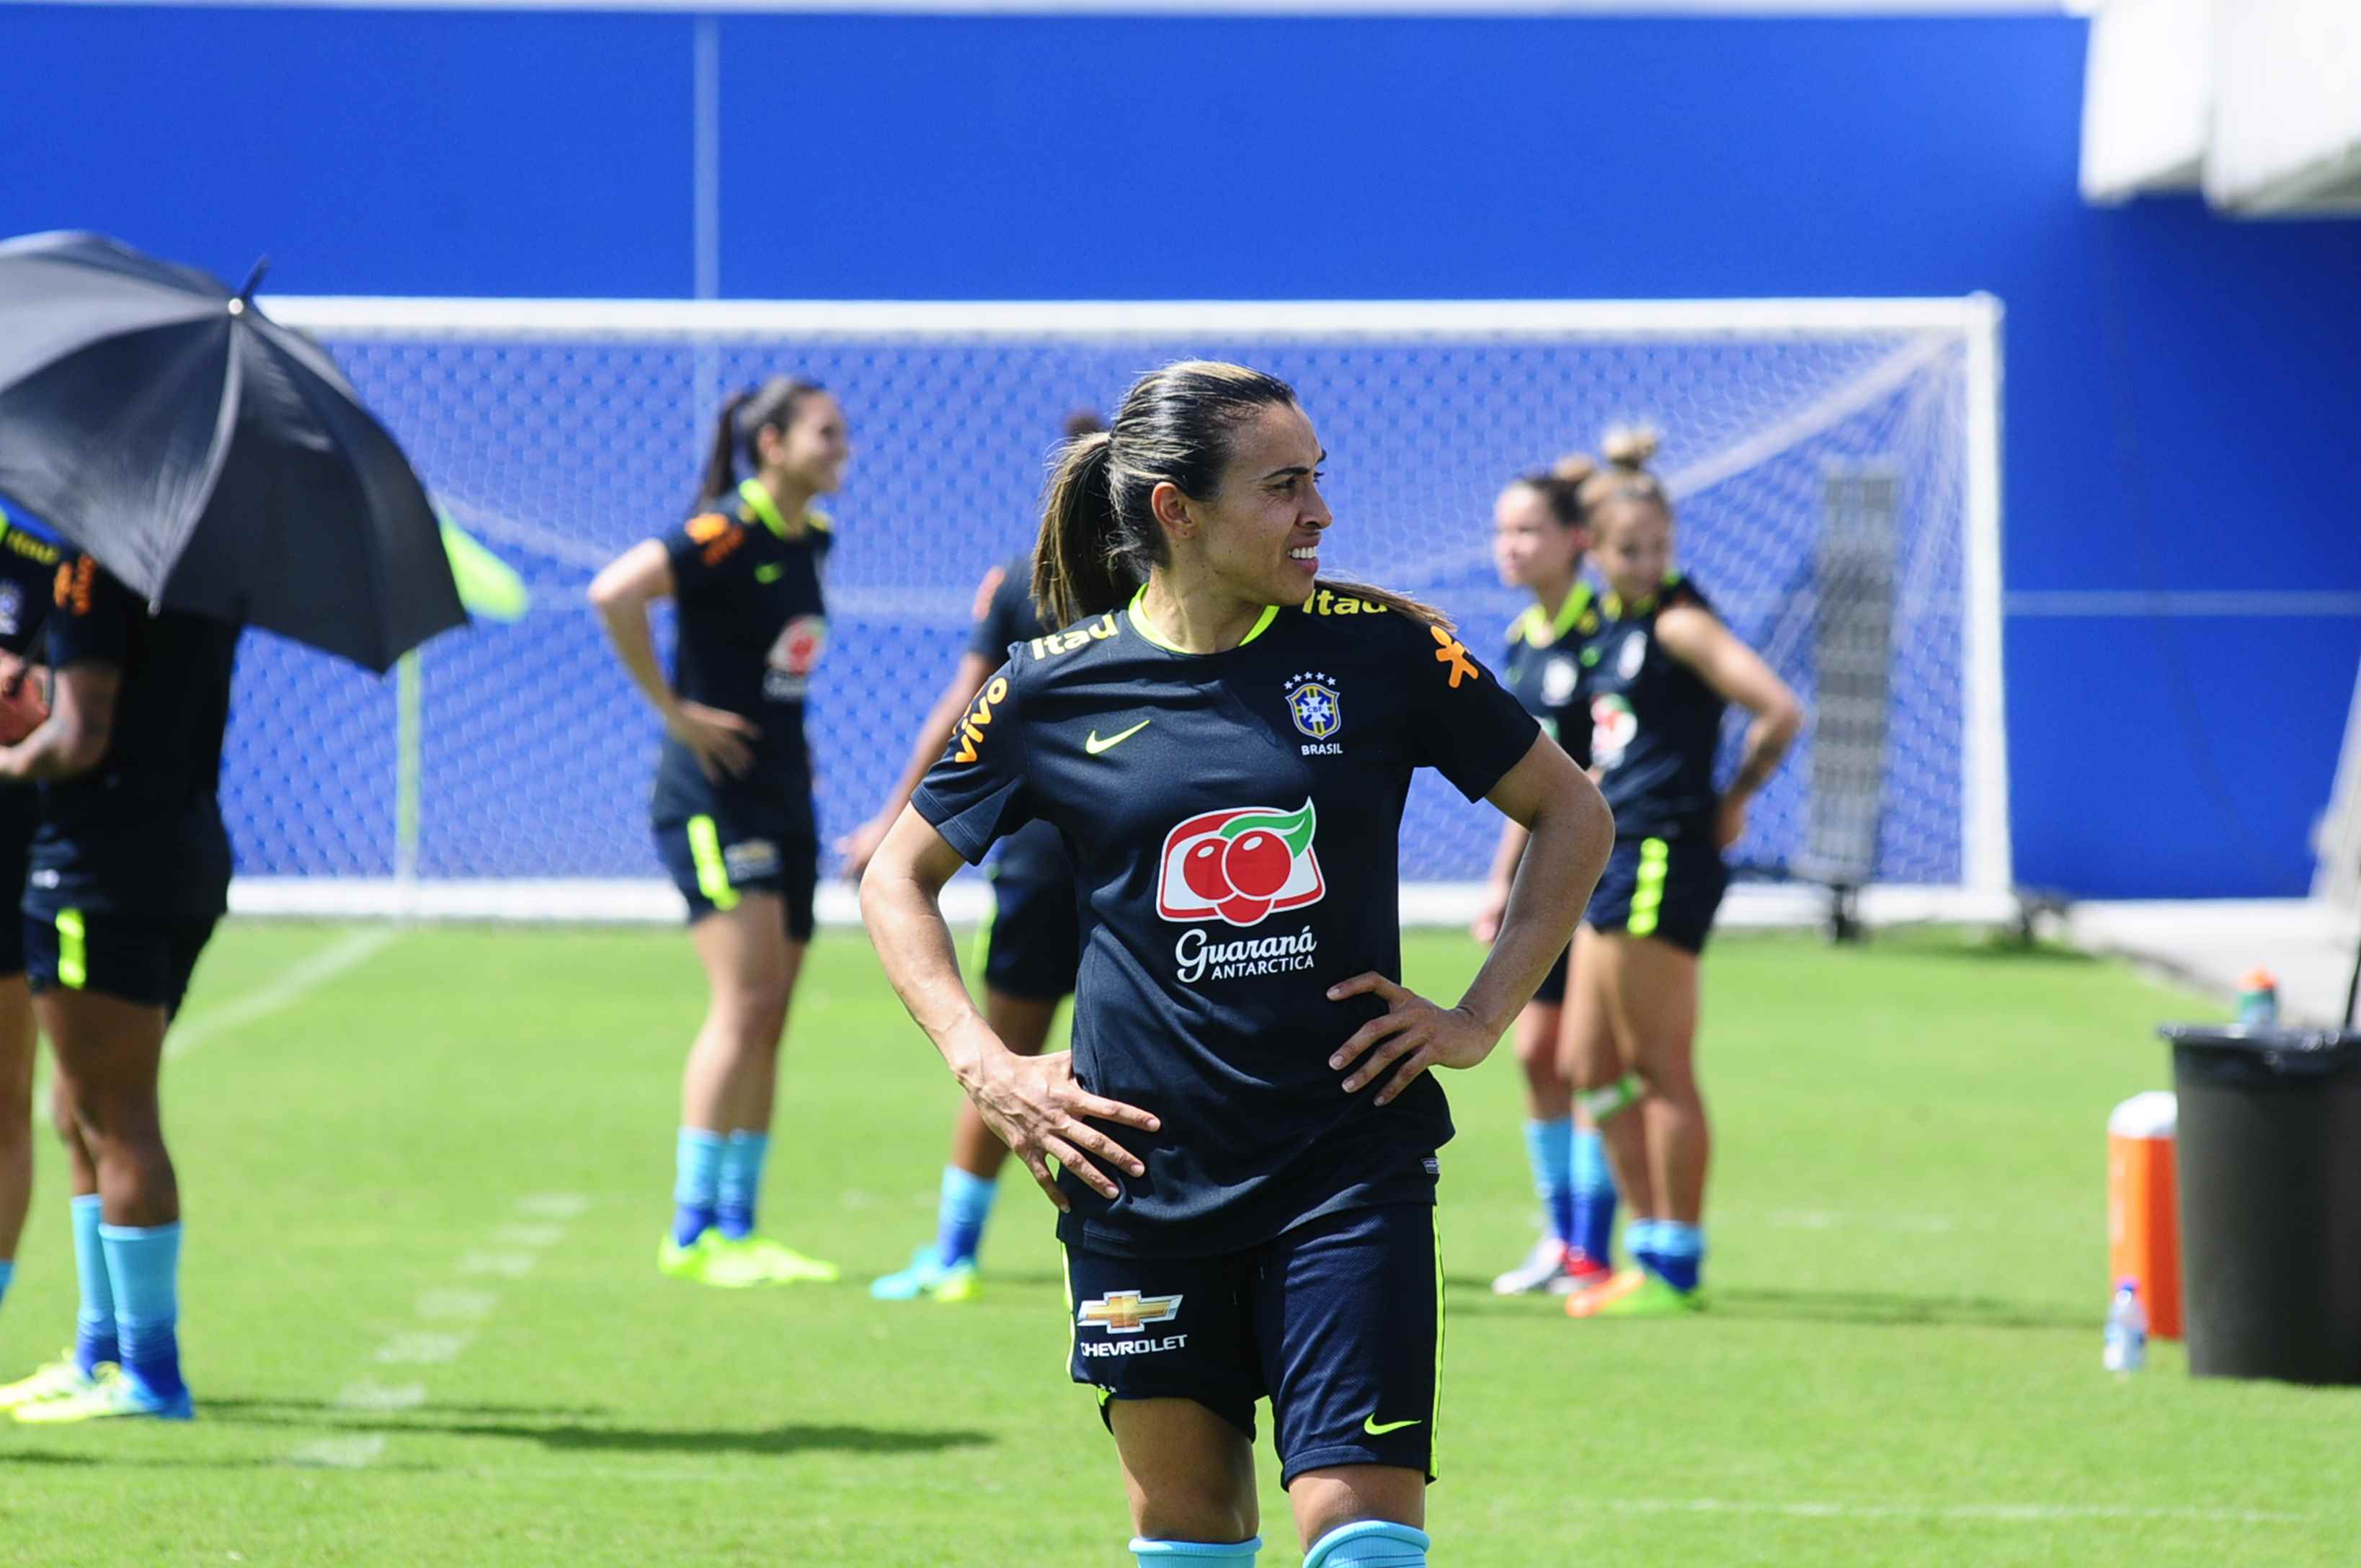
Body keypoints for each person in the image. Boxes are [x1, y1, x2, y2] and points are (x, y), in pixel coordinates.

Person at [861, 362, 1613, 1567]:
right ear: (1177, 509)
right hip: (1136, 1172)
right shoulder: (1050, 687)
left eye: (1318, 481)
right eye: (1283, 486)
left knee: (1360, 1532)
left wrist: (1478, 1016)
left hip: (1347, 1160)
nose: (1319, 512)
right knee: (1190, 1531)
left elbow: (1573, 813)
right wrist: (983, 1063)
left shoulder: (1389, 654)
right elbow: (894, 877)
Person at [588, 377, 850, 1290]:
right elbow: (614, 592)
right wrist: (674, 711)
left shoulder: (811, 536)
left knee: (773, 1011)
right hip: (712, 798)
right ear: (771, 444)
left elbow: (778, 668)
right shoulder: (722, 532)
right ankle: (692, 1229)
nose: (842, 447)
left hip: (783, 796)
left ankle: (741, 1228)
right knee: (742, 1003)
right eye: (825, 432)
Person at [845, 411, 1104, 1304]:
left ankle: (954, 1252)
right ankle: (978, 1248)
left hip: (1048, 857)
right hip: (1113, 863)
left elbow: (960, 704)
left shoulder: (1026, 580)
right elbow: (967, 699)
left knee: (1008, 1056)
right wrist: (891, 828)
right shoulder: (1168, 582)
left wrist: (889, 820)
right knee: (1048, 1057)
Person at [1557, 429, 1805, 1321]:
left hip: (1663, 852)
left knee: (1659, 1062)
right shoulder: (1612, 623)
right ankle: (1646, 1245)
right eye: (1631, 547)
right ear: (1594, 546)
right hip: (1616, 855)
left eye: (1659, 546)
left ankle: (1674, 1262)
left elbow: (1778, 708)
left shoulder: (1678, 620)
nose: (1648, 560)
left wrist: (1734, 795)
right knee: (1590, 1062)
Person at [0, 545, 241, 1422]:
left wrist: (11, 759)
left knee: (118, 1117)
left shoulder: (90, 566)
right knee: (79, 1112)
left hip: (98, 869)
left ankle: (151, 1371)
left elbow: (78, 735)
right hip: (183, 854)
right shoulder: (202, 569)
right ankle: (102, 1350)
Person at [1474, 458, 1619, 1298]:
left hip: (1604, 882)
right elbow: (1525, 791)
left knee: (1587, 1057)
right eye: (1502, 531)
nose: (1511, 546)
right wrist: (1502, 882)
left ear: (1575, 541)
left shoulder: (1604, 633)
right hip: (1546, 875)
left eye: (1527, 530)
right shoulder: (1523, 643)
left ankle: (1594, 1246)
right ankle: (1562, 1234)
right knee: (1535, 1052)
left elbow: (1590, 785)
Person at [0, 499, 61, 1373]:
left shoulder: (42, 559)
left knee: (7, 1096)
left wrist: (24, 690)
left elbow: (62, 706)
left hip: (12, 842)